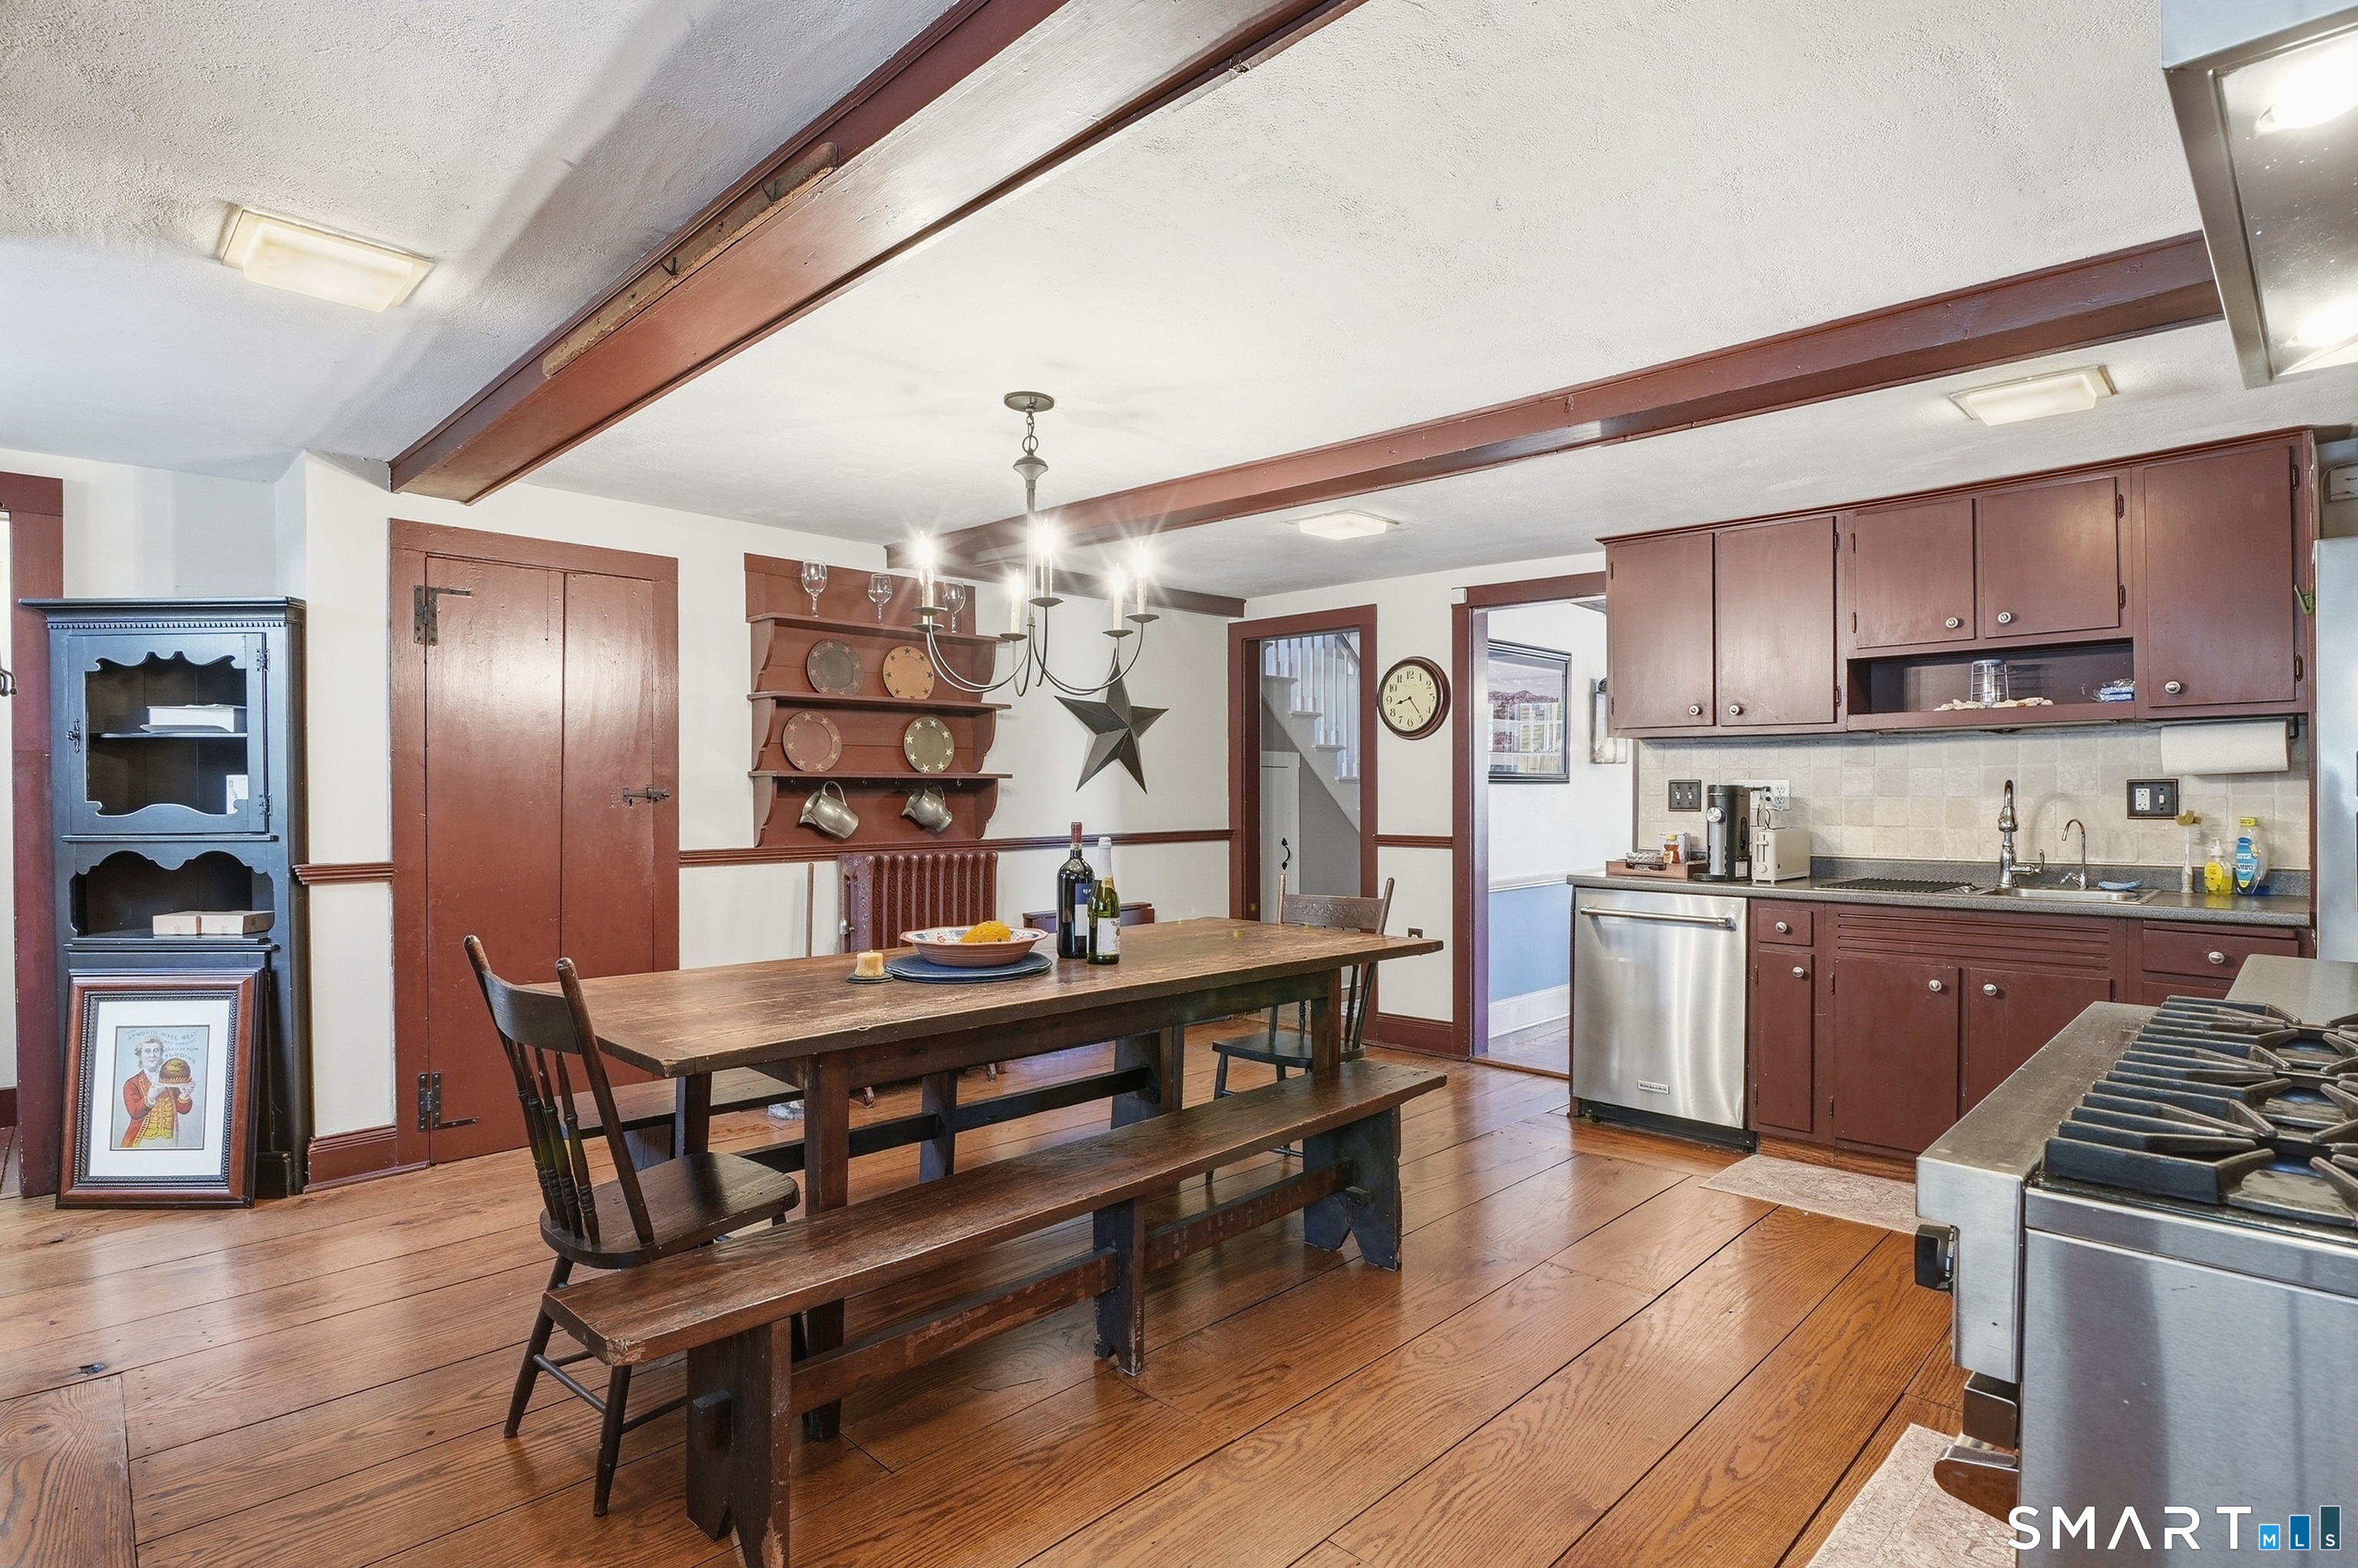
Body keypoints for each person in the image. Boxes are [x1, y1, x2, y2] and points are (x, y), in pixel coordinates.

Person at [121, 1035, 193, 1148]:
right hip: (140, 1141)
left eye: (156, 1051)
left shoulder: (171, 1079)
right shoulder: (132, 1083)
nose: (152, 1055)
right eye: (147, 1051)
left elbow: (183, 1110)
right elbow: (135, 1112)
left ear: (161, 1054)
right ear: (140, 1056)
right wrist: (150, 1098)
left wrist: (185, 1095)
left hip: (169, 1141)